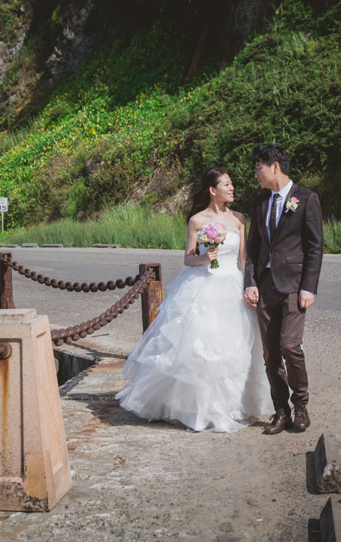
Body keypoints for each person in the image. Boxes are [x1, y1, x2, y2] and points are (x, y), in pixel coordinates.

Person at [116, 168, 272, 432]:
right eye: (227, 184)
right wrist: (203, 258)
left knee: (236, 347)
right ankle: (199, 409)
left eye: (232, 183)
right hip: (204, 284)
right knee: (200, 348)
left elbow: (244, 260)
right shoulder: (197, 221)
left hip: (232, 285)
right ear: (213, 190)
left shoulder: (239, 219)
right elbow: (188, 257)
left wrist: (250, 286)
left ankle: (236, 405)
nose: (232, 188)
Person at [243, 145, 324, 435]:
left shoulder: (307, 198)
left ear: (275, 166)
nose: (256, 174)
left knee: (290, 346)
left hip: (294, 286)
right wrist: (250, 282)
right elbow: (252, 248)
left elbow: (315, 247)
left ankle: (300, 405)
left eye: (259, 168)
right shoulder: (260, 202)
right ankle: (281, 411)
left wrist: (308, 287)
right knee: (270, 354)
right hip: (265, 287)